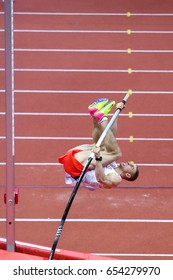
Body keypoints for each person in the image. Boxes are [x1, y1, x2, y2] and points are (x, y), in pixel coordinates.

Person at [58, 98, 139, 190]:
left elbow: (101, 179)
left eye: (131, 166)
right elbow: (110, 137)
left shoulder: (116, 179)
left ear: (128, 175)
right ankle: (96, 115)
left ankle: (101, 118)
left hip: (75, 167)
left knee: (116, 153)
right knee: (104, 144)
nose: (129, 163)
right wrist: (117, 113)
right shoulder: (113, 164)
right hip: (76, 158)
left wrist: (98, 158)